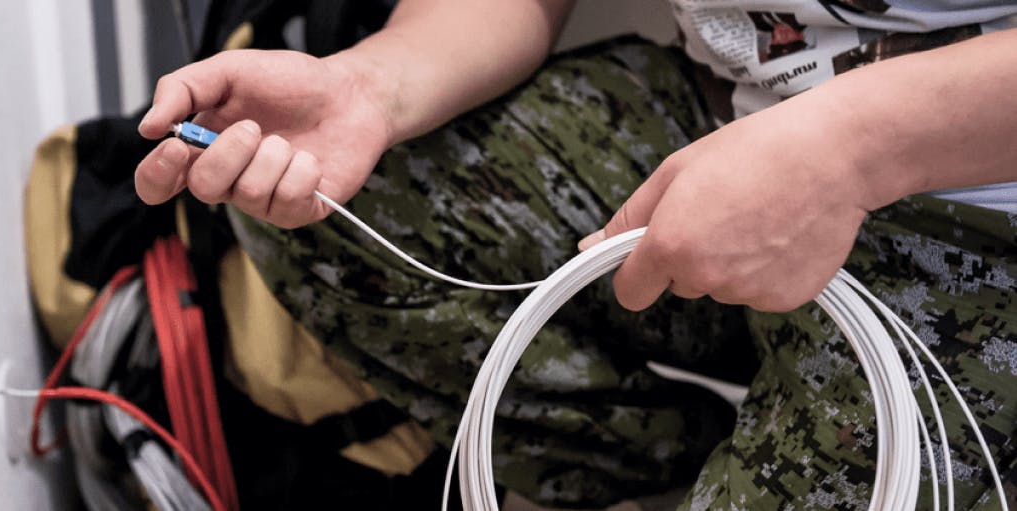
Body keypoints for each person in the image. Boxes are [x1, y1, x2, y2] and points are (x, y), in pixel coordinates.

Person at [133, 1, 1017, 508]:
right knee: (331, 214)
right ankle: (685, 472)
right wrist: (373, 83)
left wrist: (856, 149)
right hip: (732, 111)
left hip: (981, 203)